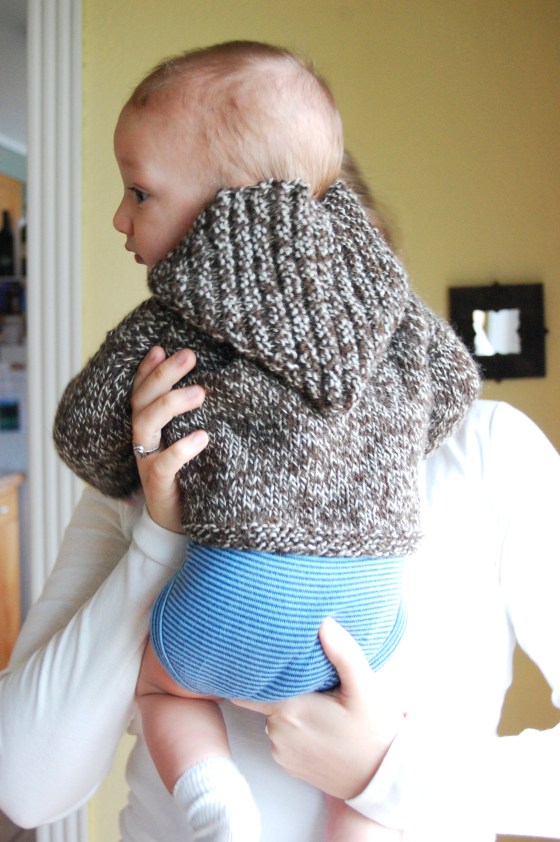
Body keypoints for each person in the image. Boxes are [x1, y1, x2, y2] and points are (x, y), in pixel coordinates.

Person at [1, 47, 559, 842]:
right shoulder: (151, 448)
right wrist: (159, 531)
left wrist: (386, 772)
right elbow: (23, 787)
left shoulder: (491, 453)